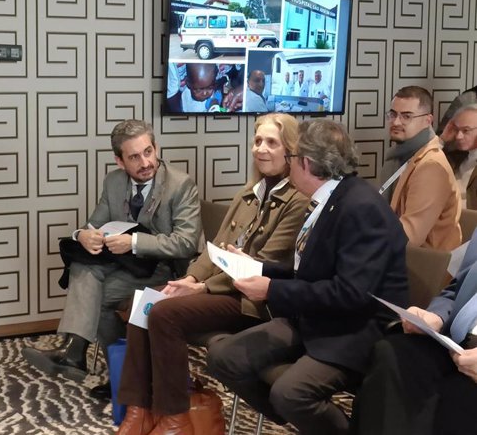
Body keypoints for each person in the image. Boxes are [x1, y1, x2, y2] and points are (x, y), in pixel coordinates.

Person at [207, 118, 408, 435]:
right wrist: (257, 267)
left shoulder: (361, 207)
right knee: (223, 356)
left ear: (306, 163)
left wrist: (271, 290)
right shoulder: (329, 199)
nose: (285, 164)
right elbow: (310, 271)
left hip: (355, 330)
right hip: (315, 318)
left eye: (290, 157)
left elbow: (351, 294)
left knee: (290, 393)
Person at [115, 113, 308, 435]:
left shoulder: (298, 201)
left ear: (290, 149)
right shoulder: (249, 193)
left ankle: (175, 419)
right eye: (257, 141)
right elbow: (215, 248)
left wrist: (202, 289)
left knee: (164, 315)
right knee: (145, 304)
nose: (261, 149)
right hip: (220, 290)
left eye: (271, 142)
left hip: (255, 302)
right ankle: (140, 410)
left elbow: (262, 264)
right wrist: (190, 279)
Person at [22, 120, 202, 394]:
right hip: (125, 267)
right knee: (85, 266)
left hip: (166, 270)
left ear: (156, 148)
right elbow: (94, 224)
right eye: (134, 157)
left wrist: (135, 242)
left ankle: (86, 358)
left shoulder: (180, 185)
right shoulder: (114, 181)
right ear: (120, 161)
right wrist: (83, 234)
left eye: (148, 152)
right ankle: (110, 370)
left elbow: (186, 243)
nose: (145, 162)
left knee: (98, 292)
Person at [351, 232, 477, 435]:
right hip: (459, 342)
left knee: (455, 398)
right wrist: (436, 316)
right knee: (392, 354)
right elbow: (457, 288)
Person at [380, 86, 461, 250]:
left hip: (423, 268)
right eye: (393, 114)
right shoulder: (398, 156)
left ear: (428, 120)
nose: (396, 122)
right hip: (398, 256)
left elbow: (409, 237)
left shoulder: (431, 166)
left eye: (406, 116)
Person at [440, 104, 477, 209]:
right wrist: (442, 139)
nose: (458, 136)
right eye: (456, 130)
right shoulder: (453, 157)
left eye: (466, 130)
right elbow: (420, 162)